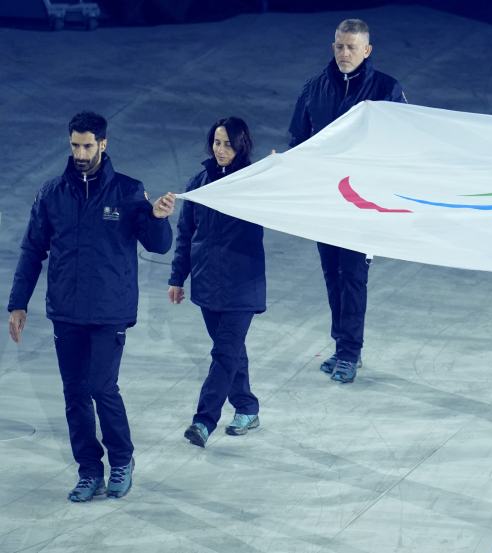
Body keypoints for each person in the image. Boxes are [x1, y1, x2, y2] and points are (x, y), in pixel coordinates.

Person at [7, 111, 174, 502]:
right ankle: (88, 471)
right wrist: (18, 303)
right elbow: (32, 250)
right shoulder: (51, 194)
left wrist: (157, 217)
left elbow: (159, 244)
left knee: (101, 386)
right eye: (75, 146)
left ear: (103, 144)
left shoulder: (128, 191)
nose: (80, 154)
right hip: (66, 311)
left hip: (109, 310)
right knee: (75, 393)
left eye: (87, 146)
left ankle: (122, 460)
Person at [288, 18, 406, 384]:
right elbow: (298, 139)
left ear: (367, 50)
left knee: (353, 276)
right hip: (326, 200)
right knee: (332, 274)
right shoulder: (314, 87)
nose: (344, 53)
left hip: (363, 201)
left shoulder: (386, 88)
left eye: (351, 47)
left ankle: (350, 353)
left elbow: (404, 141)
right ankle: (342, 346)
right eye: (339, 46)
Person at [168, 117, 266, 448]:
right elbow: (186, 234)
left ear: (241, 145)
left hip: (242, 286)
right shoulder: (199, 184)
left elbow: (283, 197)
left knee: (224, 353)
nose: (221, 150)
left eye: (227, 144)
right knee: (232, 351)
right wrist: (177, 278)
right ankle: (247, 407)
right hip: (208, 284)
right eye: (217, 142)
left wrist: (276, 173)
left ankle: (203, 421)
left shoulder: (254, 182)